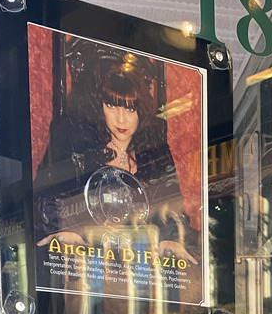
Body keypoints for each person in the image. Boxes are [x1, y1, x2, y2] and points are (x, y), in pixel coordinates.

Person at [34, 55, 197, 267]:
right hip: (88, 256)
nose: (121, 119)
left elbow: (172, 206)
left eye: (130, 108)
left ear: (141, 110)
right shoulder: (75, 145)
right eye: (111, 105)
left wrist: (172, 238)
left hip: (142, 259)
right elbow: (47, 198)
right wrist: (66, 230)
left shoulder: (155, 151)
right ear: (99, 107)